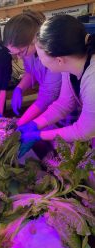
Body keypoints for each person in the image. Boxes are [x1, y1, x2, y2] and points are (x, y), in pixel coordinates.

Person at [18, 14, 95, 157]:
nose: (40, 62)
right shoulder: (70, 64)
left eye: (40, 57)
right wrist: (35, 124)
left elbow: (83, 131)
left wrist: (39, 135)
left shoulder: (93, 81)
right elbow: (64, 104)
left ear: (59, 60)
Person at [3, 10, 62, 126]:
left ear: (34, 39)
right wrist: (19, 88)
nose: (19, 56)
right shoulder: (28, 53)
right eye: (13, 53)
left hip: (64, 107)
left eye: (21, 51)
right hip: (49, 105)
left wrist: (20, 123)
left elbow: (48, 96)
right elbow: (30, 72)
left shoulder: (52, 54)